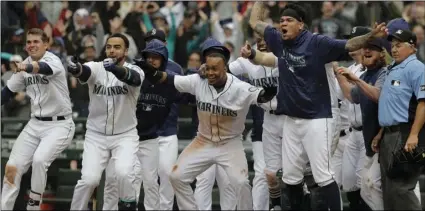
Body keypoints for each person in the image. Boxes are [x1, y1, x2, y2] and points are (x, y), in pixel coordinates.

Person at [247, 2, 388, 209]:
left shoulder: (317, 43)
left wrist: (370, 36)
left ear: (301, 24)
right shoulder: (278, 40)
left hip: (317, 119)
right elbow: (254, 22)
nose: (283, 23)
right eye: (282, 20)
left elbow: (349, 45)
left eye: (289, 20)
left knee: (323, 176)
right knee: (291, 177)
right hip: (291, 120)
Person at [134, 38, 277, 210]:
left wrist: (274, 84)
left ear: (226, 68)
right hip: (203, 141)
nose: (210, 73)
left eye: (215, 69)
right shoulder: (197, 80)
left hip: (230, 143)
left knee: (241, 183)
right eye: (207, 68)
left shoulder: (240, 87)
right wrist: (151, 72)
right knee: (176, 176)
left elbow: (263, 95)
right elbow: (168, 79)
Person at [67, 33, 145, 210]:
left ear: (126, 51)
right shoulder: (96, 67)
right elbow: (84, 72)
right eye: (109, 46)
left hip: (125, 135)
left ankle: (128, 206)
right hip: (96, 135)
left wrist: (115, 69)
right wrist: (75, 68)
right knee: (89, 180)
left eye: (117, 47)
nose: (112, 50)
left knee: (124, 174)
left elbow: (134, 79)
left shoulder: (136, 69)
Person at [1, 28, 76, 210]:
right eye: (29, 42)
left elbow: (43, 68)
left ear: (46, 44)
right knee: (12, 166)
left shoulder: (53, 60)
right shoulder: (24, 65)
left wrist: (25, 67)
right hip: (35, 124)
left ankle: (33, 207)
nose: (32, 45)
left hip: (60, 124)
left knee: (40, 160)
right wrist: (24, 68)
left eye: (36, 41)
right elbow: (7, 93)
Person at [377, 28, 425, 210]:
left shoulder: (417, 67)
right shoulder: (394, 68)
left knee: (401, 188)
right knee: (389, 190)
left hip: (404, 133)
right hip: (389, 135)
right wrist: (380, 133)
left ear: (412, 47)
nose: (394, 49)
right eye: (392, 46)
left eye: (399, 45)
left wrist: (414, 135)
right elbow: (391, 106)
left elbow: (423, 103)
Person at [143, 29, 184, 210]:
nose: (153, 44)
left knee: (167, 175)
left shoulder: (175, 68)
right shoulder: (138, 67)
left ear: (165, 45)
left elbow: (182, 97)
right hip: (144, 133)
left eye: (157, 41)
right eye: (149, 41)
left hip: (167, 131)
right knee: (145, 179)